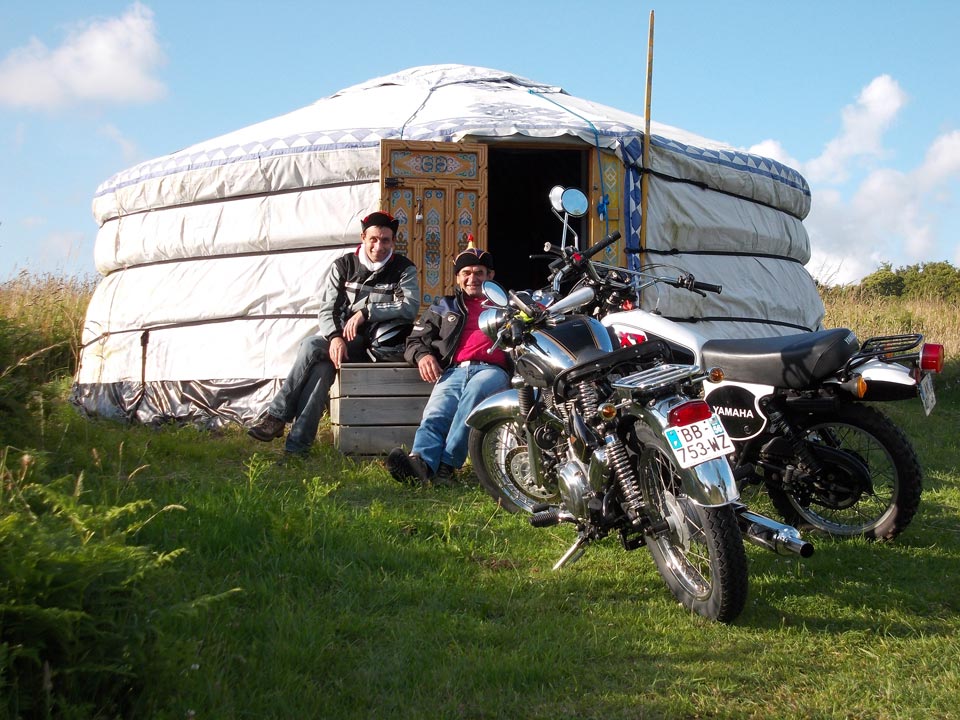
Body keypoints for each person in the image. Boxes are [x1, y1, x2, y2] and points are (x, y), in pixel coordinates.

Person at [248, 211, 419, 456]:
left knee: (309, 346)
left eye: (385, 240)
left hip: (377, 348)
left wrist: (366, 312)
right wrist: (335, 337)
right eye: (373, 239)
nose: (378, 246)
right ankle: (296, 449)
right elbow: (327, 308)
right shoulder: (344, 265)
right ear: (363, 237)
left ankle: (276, 416)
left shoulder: (403, 268)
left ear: (393, 241)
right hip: (344, 341)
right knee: (320, 370)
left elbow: (409, 306)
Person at [386, 244, 511, 485]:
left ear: (491, 276)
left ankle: (446, 466)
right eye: (466, 273)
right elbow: (414, 340)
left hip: (492, 371)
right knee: (437, 412)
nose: (472, 278)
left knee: (474, 395)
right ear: (458, 277)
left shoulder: (507, 307)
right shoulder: (445, 306)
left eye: (479, 272)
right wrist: (423, 356)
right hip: (454, 370)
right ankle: (420, 464)